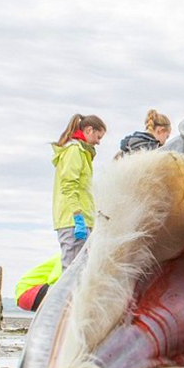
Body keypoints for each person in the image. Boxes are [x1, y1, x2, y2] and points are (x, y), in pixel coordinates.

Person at [52, 114, 106, 270]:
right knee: (72, 272)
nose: (98, 142)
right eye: (98, 136)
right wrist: (77, 216)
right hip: (73, 221)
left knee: (82, 272)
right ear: (89, 130)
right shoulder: (74, 150)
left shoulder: (83, 153)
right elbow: (69, 185)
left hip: (82, 220)